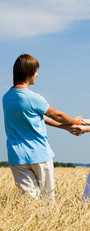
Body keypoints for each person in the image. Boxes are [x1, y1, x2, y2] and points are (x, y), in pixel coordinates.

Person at [2, 54, 84, 201]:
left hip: (17, 157)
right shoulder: (32, 97)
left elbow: (39, 118)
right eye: (36, 71)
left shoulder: (6, 97)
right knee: (47, 200)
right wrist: (74, 121)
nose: (37, 75)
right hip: (39, 154)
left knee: (30, 201)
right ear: (28, 73)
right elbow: (57, 115)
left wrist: (66, 127)